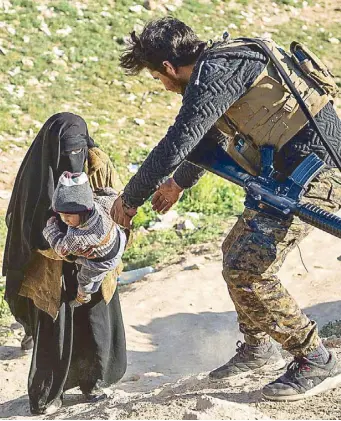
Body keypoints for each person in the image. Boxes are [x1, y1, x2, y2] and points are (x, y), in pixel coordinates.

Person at [111, 17, 341, 401]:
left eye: (157, 78)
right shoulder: (223, 64)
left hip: (314, 174)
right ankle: (258, 346)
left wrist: (129, 199)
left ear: (168, 68)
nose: (164, 86)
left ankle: (315, 358)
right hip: (290, 174)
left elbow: (179, 141)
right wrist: (178, 183)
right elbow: (211, 136)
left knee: (247, 269)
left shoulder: (217, 70)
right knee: (233, 250)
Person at [3, 113, 127, 414]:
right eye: (67, 152)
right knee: (55, 328)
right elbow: (27, 226)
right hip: (51, 268)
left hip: (94, 261)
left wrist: (97, 241)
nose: (73, 160)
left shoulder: (97, 163)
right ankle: (49, 395)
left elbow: (120, 207)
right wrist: (62, 247)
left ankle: (93, 383)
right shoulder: (39, 175)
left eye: (78, 151)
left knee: (95, 318)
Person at [43, 171, 126, 306]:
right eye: (61, 215)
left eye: (68, 216)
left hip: (101, 262)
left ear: (84, 211)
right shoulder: (102, 203)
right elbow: (112, 195)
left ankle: (83, 296)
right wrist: (104, 190)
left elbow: (61, 248)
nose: (64, 220)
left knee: (86, 278)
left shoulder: (77, 238)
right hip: (117, 242)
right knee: (99, 274)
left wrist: (50, 229)